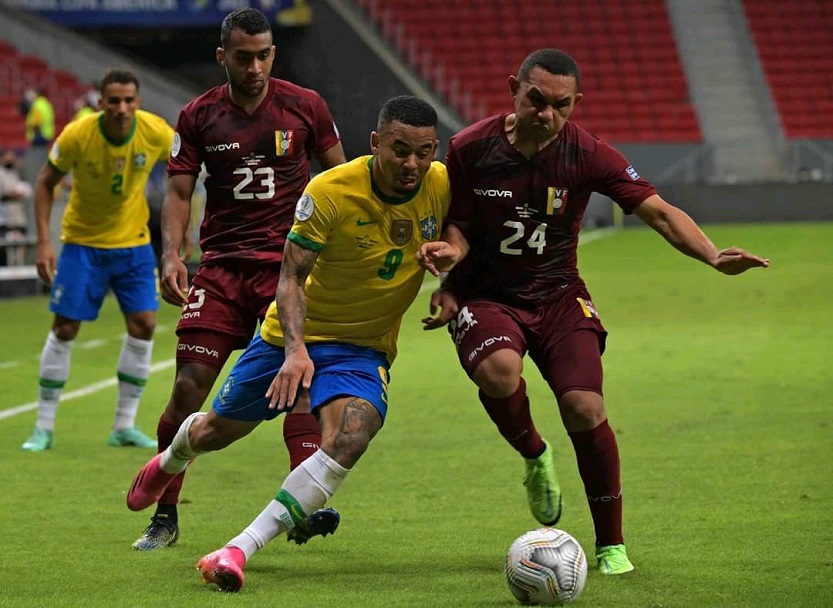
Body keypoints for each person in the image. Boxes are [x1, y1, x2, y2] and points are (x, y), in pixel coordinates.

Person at [417, 48, 770, 576]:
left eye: (561, 105)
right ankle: (536, 456)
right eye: (536, 99)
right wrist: (449, 260)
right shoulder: (469, 148)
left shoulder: (589, 154)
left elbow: (659, 212)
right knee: (499, 371)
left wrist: (713, 255)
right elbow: (460, 224)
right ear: (514, 88)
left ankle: (611, 545)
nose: (547, 114)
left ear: (575, 103)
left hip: (559, 294)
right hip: (487, 293)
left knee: (584, 408)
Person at [126, 94, 450, 592]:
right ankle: (171, 458)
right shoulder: (331, 190)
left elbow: (468, 236)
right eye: (400, 150)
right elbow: (291, 279)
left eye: (424, 151)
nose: (412, 164)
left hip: (361, 348)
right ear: (375, 143)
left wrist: (451, 275)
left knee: (350, 436)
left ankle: (238, 549)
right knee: (216, 430)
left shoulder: (442, 183)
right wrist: (296, 350)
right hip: (287, 336)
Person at [129, 7, 347, 552]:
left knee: (297, 385)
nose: (255, 67)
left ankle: (300, 509)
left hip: (288, 270)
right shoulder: (198, 115)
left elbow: (341, 180)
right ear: (222, 56)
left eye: (265, 55)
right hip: (222, 269)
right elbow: (179, 192)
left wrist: (338, 254)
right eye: (244, 57)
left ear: (274, 52)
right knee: (187, 388)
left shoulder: (306, 106)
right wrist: (173, 255)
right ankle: (165, 513)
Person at [20, 69, 174, 452]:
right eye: (114, 101)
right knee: (66, 327)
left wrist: (179, 235)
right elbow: (44, 183)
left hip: (134, 243)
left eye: (129, 101)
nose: (122, 108)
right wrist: (43, 241)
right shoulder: (78, 134)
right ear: (100, 102)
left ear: (138, 102)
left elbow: (183, 174)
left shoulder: (155, 131)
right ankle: (43, 428)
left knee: (145, 325)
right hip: (82, 243)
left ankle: (123, 426)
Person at [21, 87, 56, 184]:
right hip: (47, 135)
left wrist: (32, 128)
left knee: (38, 163)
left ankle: (37, 181)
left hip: (38, 136)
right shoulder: (47, 104)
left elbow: (37, 122)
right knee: (44, 160)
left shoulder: (37, 105)